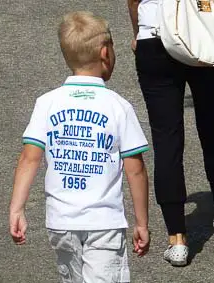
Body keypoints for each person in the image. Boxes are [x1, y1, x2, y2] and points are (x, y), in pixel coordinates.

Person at [9, 11, 150, 283]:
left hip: (61, 222)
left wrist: (17, 208)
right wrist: (142, 222)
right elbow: (136, 170)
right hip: (104, 222)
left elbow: (29, 158)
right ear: (105, 53)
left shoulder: (47, 103)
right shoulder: (118, 107)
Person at [128, 0, 214, 266]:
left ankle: (177, 239)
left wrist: (137, 33)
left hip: (154, 38)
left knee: (166, 140)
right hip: (202, 33)